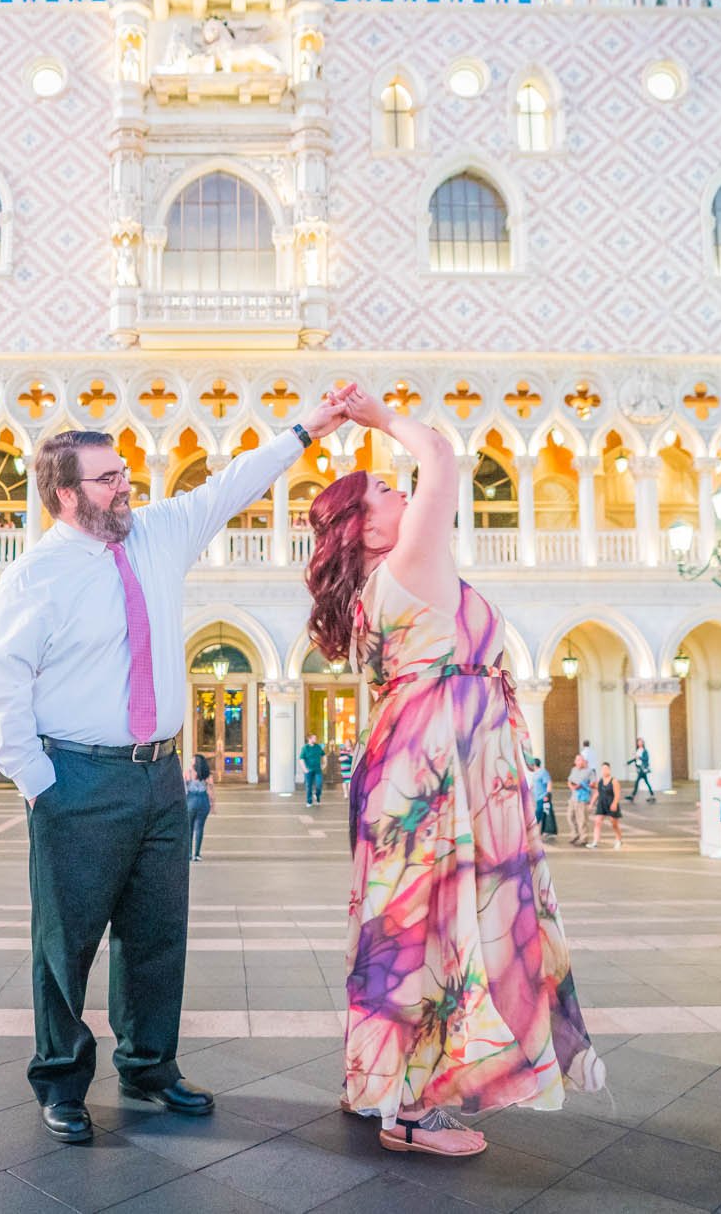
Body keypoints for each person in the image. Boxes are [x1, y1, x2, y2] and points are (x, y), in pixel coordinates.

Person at [0, 389, 353, 1146]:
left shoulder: (156, 536)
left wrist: (306, 430)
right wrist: (38, 785)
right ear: (65, 494)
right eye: (108, 478)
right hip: (76, 779)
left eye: (123, 473)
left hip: (160, 778)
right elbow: (3, 684)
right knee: (66, 942)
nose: (125, 486)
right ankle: (61, 1078)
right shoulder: (35, 576)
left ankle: (150, 1065)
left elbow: (230, 485)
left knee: (156, 935)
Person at [305, 386, 601, 1159]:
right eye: (383, 490)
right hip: (439, 766)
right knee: (434, 925)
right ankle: (411, 1112)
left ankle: (376, 1081)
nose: (400, 488)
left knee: (399, 922)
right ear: (366, 527)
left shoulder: (378, 588)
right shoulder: (407, 563)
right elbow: (439, 455)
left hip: (415, 756)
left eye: (393, 482)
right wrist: (377, 415)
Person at [185, 754, 215, 861]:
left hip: (191, 801)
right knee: (199, 828)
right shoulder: (207, 774)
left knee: (189, 829)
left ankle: (188, 853)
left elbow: (184, 789)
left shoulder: (188, 773)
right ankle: (197, 854)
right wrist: (212, 805)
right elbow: (211, 791)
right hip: (203, 801)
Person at [590, 762, 623, 849]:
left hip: (611, 803)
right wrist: (591, 803)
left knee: (614, 824)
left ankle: (619, 839)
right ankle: (595, 841)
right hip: (602, 803)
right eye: (603, 769)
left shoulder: (614, 781)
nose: (604, 770)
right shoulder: (600, 781)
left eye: (606, 769)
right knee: (597, 822)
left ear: (609, 770)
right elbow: (597, 792)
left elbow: (617, 794)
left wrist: (615, 803)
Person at [566, 751, 595, 847]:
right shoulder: (573, 769)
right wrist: (571, 786)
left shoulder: (589, 771)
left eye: (580, 760)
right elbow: (569, 781)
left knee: (582, 819)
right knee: (570, 817)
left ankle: (583, 838)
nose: (578, 762)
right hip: (573, 797)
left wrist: (583, 785)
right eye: (577, 760)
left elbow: (593, 783)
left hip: (583, 798)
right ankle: (575, 834)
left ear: (584, 762)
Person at [527, 756, 556, 838]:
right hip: (538, 797)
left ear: (534, 765)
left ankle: (535, 831)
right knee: (546, 813)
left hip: (543, 797)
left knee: (540, 813)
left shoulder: (543, 772)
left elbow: (549, 783)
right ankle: (548, 831)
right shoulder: (535, 773)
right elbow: (533, 785)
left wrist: (548, 795)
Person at [627, 737, 656, 803]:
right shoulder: (638, 750)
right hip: (639, 768)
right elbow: (635, 759)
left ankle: (633, 796)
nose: (639, 743)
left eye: (640, 742)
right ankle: (652, 795)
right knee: (646, 782)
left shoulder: (644, 751)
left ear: (642, 743)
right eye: (638, 742)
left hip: (642, 769)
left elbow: (646, 759)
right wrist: (628, 762)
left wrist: (639, 757)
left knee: (637, 782)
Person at [300, 733, 326, 806]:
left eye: (316, 738)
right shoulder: (305, 748)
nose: (315, 739)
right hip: (309, 770)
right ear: (309, 739)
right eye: (314, 738)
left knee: (319, 784)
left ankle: (317, 795)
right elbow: (301, 759)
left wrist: (325, 764)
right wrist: (304, 769)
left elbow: (323, 755)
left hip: (318, 769)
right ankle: (309, 801)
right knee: (309, 785)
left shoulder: (318, 747)